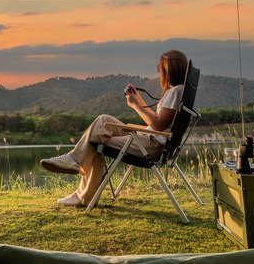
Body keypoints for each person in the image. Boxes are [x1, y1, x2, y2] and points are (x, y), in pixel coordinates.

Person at [39, 50, 189, 206]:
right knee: (103, 121)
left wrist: (136, 105)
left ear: (169, 70)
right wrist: (138, 100)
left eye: (160, 68)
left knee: (96, 141)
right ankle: (75, 165)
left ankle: (82, 190)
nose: (159, 71)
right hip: (149, 138)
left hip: (151, 144)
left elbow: (158, 124)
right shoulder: (180, 90)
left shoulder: (175, 91)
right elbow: (158, 121)